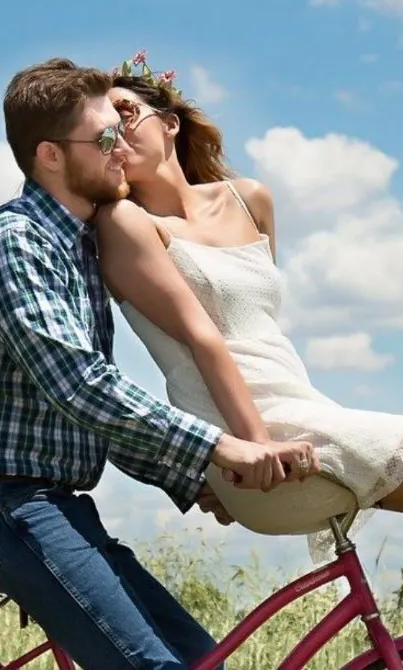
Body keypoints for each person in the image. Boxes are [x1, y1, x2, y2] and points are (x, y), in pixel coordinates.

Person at [0, 57, 316, 670]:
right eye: (105, 137)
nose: (121, 150)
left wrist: (191, 480)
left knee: (204, 661)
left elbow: (95, 415)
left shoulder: (79, 247)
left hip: (58, 503)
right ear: (51, 156)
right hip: (16, 504)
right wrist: (221, 448)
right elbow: (82, 387)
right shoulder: (19, 243)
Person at [97, 51, 403, 562]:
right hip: (246, 437)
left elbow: (262, 332)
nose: (117, 133)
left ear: (170, 123)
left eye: (126, 113)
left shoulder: (250, 199)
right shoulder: (124, 222)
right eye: (104, 130)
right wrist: (255, 445)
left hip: (305, 410)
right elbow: (203, 339)